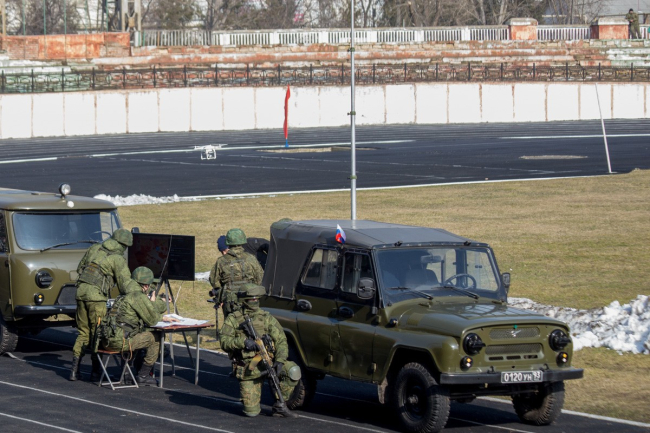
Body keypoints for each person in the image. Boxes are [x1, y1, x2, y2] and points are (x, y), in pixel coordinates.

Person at [220, 283, 300, 418]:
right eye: (252, 299)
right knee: (251, 412)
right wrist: (243, 342)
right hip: (249, 368)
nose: (255, 301)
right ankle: (253, 400)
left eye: (256, 299)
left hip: (269, 361)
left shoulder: (266, 317)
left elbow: (281, 340)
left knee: (293, 370)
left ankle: (280, 404)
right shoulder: (233, 319)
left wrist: (280, 360)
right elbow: (224, 341)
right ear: (244, 300)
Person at [70, 228, 140, 381]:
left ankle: (74, 370)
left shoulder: (94, 248)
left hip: (80, 293)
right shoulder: (117, 259)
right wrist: (140, 292)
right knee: (98, 333)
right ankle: (95, 371)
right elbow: (125, 284)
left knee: (83, 332)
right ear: (124, 245)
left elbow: (80, 268)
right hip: (96, 298)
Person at [98, 267, 170, 385]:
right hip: (120, 341)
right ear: (146, 286)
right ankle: (143, 375)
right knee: (155, 337)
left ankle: (126, 374)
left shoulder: (123, 294)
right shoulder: (137, 296)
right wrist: (160, 312)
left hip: (107, 339)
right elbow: (152, 320)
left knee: (135, 335)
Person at [208, 228, 264, 322]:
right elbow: (260, 278)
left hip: (230, 302)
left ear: (228, 242)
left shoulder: (221, 261)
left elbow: (214, 281)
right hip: (249, 299)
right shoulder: (251, 259)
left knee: (231, 326)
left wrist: (222, 292)